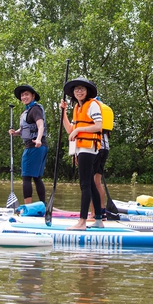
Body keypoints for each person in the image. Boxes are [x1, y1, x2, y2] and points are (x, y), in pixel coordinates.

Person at [60, 77, 104, 230]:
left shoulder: (93, 105)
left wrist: (79, 130)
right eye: (76, 89)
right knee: (90, 184)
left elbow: (98, 126)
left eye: (82, 89)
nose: (79, 91)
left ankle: (82, 222)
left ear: (87, 92)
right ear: (73, 93)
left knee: (84, 184)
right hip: (81, 149)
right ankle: (98, 220)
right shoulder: (77, 108)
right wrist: (64, 112)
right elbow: (69, 130)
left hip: (89, 148)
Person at [8, 84, 48, 204]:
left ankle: (28, 207)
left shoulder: (35, 109)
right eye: (22, 95)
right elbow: (26, 129)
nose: (24, 97)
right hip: (38, 146)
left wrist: (39, 139)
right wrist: (15, 133)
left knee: (26, 177)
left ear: (33, 96)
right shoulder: (27, 111)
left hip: (35, 146)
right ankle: (43, 205)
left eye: (27, 94)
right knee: (36, 177)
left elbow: (40, 125)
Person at [91, 97, 113, 219]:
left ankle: (94, 213)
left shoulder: (91, 106)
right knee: (97, 182)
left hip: (96, 147)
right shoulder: (103, 106)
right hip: (105, 147)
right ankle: (102, 211)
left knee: (91, 182)